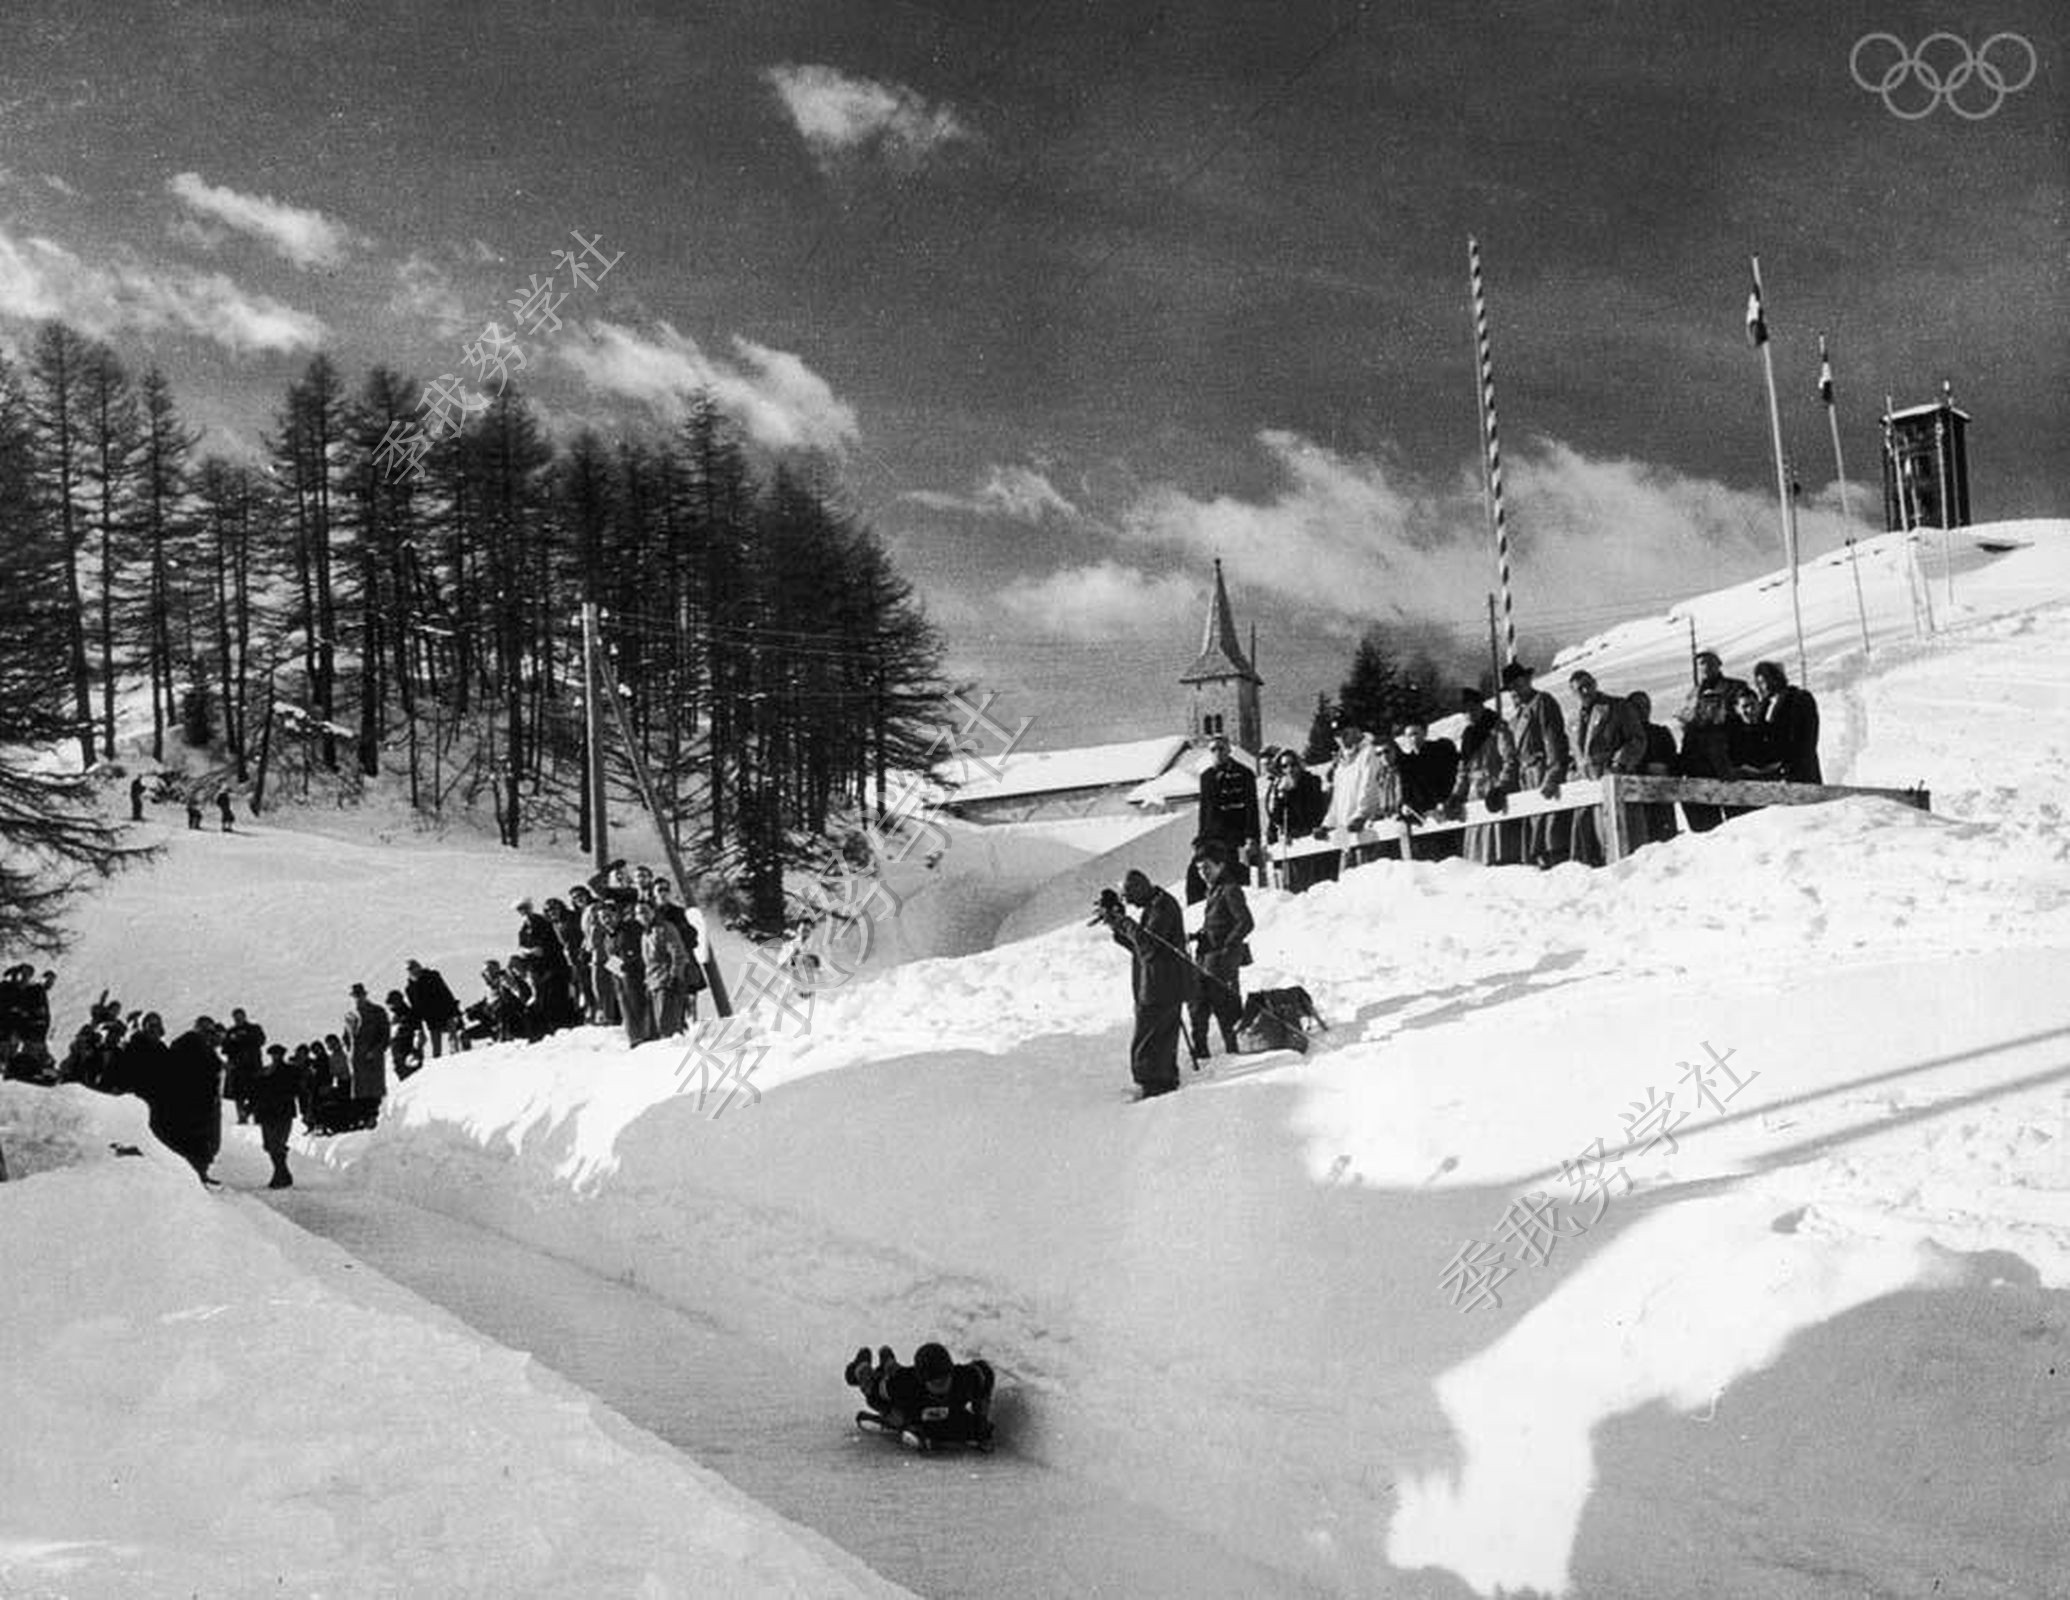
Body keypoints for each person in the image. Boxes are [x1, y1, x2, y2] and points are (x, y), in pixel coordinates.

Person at [1099, 868, 1189, 1100]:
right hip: (1158, 980)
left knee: (1148, 1036)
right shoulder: (1155, 904)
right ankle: (1161, 1080)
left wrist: (1123, 921)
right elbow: (1139, 946)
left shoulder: (1162, 907)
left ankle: (1152, 1084)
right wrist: (1116, 925)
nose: (1129, 903)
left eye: (1129, 897)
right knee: (1158, 1034)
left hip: (1162, 982)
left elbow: (1148, 947)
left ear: (1139, 888)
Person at [845, 1341, 996, 1449]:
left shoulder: (966, 1378)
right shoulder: (904, 1386)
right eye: (936, 1383)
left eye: (945, 1380)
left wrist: (981, 1412)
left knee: (976, 1428)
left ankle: (889, 1363)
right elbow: (874, 1398)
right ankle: (865, 1365)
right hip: (908, 1406)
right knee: (865, 1381)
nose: (942, 1387)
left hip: (945, 1411)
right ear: (923, 1381)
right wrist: (890, 1415)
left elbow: (986, 1371)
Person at [1568, 670, 1648, 866]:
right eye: (1580, 688)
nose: (1585, 690)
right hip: (1588, 789)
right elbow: (1575, 753)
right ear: (1573, 693)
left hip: (1615, 783)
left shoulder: (1618, 707)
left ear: (1595, 683)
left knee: (1623, 842)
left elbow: (1637, 739)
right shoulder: (1572, 720)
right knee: (1592, 846)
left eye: (1588, 684)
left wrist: (1618, 764)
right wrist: (1573, 772)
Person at [1187, 844, 1254, 1059]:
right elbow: (1219, 923)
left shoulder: (1230, 889)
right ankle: (1202, 1053)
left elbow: (1245, 922)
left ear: (1220, 865)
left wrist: (1227, 946)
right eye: (1199, 869)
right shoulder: (1214, 889)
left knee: (1227, 1012)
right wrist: (1199, 935)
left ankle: (1235, 1052)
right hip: (1207, 960)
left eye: (1206, 867)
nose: (1202, 873)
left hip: (1222, 963)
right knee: (1198, 1007)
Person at [1502, 662, 1570, 867]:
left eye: (1518, 683)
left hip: (1542, 772)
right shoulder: (1516, 717)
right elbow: (1513, 755)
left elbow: (1554, 741)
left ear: (1528, 681)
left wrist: (1553, 775)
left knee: (1549, 830)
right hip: (1527, 778)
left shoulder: (1542, 702)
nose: (1515, 690)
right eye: (1510, 687)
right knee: (1534, 831)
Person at [1675, 651, 1750, 833]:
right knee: (1708, 831)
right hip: (1700, 766)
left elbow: (1744, 715)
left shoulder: (1736, 686)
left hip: (1729, 760)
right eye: (1701, 663)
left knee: (1740, 825)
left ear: (1719, 664)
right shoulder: (1692, 694)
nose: (1705, 667)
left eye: (1709, 662)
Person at [1448, 687, 1520, 866]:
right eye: (1464, 711)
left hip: (1493, 795)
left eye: (1471, 708)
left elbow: (1509, 760)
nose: (1468, 714)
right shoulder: (1468, 736)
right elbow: (1463, 770)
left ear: (1480, 706)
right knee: (1477, 856)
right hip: (1475, 798)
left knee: (1499, 852)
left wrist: (1502, 786)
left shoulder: (1496, 728)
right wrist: (1457, 795)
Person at [1188, 735, 1260, 903]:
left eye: (1221, 748)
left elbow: (1251, 809)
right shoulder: (1206, 777)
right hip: (1212, 838)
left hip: (1235, 837)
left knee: (1231, 875)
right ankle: (1196, 909)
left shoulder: (1244, 774)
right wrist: (1201, 838)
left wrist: (1252, 837)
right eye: (1213, 749)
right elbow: (1204, 811)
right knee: (1195, 872)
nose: (1218, 752)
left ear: (1229, 750)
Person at [154, 1016, 226, 1184]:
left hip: (204, 1103)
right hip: (194, 1102)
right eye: (207, 1031)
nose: (209, 1035)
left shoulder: (203, 1047)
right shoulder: (191, 1044)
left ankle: (200, 1173)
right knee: (197, 1140)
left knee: (206, 1140)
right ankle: (197, 1175)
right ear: (199, 1030)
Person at [1265, 748, 1329, 891]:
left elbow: (1315, 811)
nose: (1289, 769)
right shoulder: (1281, 788)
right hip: (1291, 842)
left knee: (1313, 884)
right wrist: (1282, 796)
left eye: (1292, 764)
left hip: (1310, 836)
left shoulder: (1312, 782)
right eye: (1284, 766)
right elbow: (1276, 818)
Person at [1396, 719, 1461, 860]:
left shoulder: (1439, 752)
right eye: (1408, 735)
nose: (1412, 739)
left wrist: (1444, 801)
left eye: (1415, 734)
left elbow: (1450, 778)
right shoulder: (1407, 763)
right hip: (1422, 817)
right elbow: (1406, 790)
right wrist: (1406, 805)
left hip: (1442, 811)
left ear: (1425, 733)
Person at [1753, 660, 1823, 783]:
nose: (1763, 686)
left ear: (1777, 678)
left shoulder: (1800, 698)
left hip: (1800, 770)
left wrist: (1794, 764)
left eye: (1766, 680)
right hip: (1774, 773)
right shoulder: (1764, 705)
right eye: (1759, 682)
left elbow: (1808, 737)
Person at [1628, 691, 1681, 847]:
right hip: (1636, 801)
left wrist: (1666, 769)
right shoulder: (1625, 736)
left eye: (1646, 706)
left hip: (1662, 799)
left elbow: (1674, 762)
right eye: (1637, 707)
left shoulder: (1661, 733)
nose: (1643, 710)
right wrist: (1645, 768)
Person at [248, 1043, 302, 1189]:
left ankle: (280, 1176)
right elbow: (256, 1092)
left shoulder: (291, 1071)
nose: (276, 1057)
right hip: (267, 1113)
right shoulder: (263, 1072)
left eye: (278, 1054)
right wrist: (251, 1108)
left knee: (278, 1144)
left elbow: (297, 1090)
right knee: (270, 1145)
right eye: (273, 1054)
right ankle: (283, 1174)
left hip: (283, 1112)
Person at [637, 901, 693, 1039]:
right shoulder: (645, 933)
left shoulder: (664, 928)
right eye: (638, 913)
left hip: (667, 980)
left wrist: (675, 975)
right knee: (656, 1025)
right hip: (653, 981)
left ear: (653, 912)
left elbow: (678, 953)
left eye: (645, 911)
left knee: (667, 1024)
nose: (642, 916)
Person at [344, 982, 389, 1114]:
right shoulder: (350, 1015)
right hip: (357, 1061)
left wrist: (375, 1051)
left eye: (360, 995)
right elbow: (346, 1036)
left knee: (374, 1094)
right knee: (360, 1095)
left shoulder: (377, 1012)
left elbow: (385, 1036)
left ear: (365, 995)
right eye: (355, 996)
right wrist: (349, 1052)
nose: (358, 998)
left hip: (372, 1060)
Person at [404, 959, 462, 1057]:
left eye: (413, 967)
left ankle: (456, 1056)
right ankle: (437, 1061)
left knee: (452, 1035)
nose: (412, 971)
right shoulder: (410, 988)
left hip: (445, 1012)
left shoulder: (432, 977)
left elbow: (445, 992)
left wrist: (455, 1011)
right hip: (431, 1019)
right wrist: (418, 1025)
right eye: (409, 969)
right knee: (436, 1044)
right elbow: (415, 1008)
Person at [221, 1007, 267, 1125]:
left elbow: (261, 1040)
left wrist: (243, 1037)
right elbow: (225, 1049)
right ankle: (242, 1117)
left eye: (239, 1017)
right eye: (236, 1018)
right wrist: (232, 1040)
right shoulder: (230, 1032)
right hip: (238, 1068)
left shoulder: (254, 1029)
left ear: (244, 1016)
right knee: (239, 1095)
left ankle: (255, 1116)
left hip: (253, 1066)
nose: (238, 1020)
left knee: (256, 1093)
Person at [385, 989, 422, 1079]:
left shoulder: (410, 1014)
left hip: (409, 1057)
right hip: (399, 1059)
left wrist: (415, 1053)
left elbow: (419, 1034)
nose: (391, 1006)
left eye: (392, 1003)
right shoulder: (395, 1017)